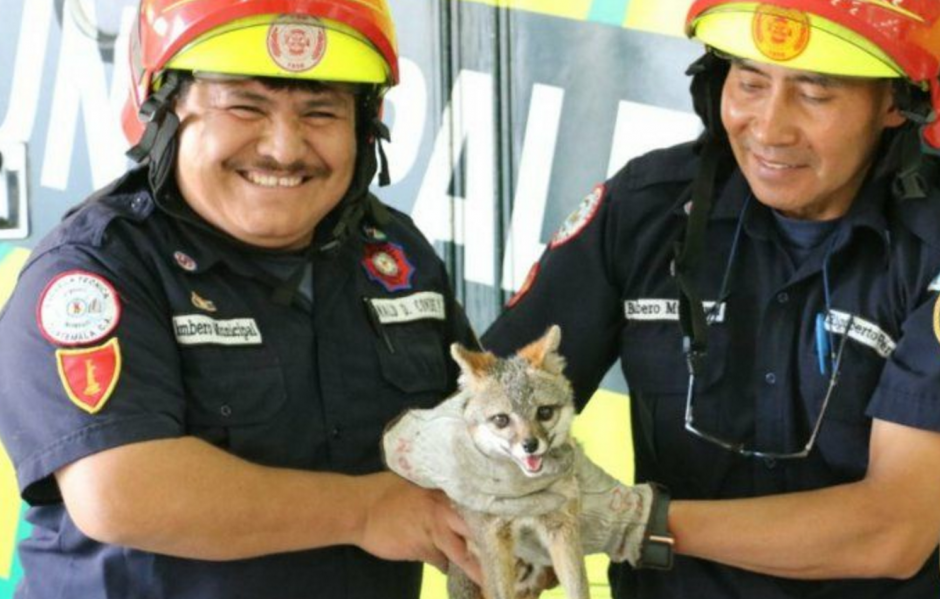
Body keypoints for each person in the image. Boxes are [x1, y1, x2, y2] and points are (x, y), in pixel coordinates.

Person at [0, 1, 482, 597]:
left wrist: (513, 527)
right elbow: (121, 491)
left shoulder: (396, 257)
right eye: (244, 106)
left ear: (366, 127)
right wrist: (365, 511)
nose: (284, 148)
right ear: (164, 111)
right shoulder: (94, 271)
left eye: (321, 112)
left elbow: (478, 426)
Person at [478, 1, 940, 598]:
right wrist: (515, 529)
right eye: (749, 82)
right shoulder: (645, 206)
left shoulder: (929, 247)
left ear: (895, 103)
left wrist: (634, 522)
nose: (769, 129)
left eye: (816, 94)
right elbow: (487, 404)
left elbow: (893, 531)